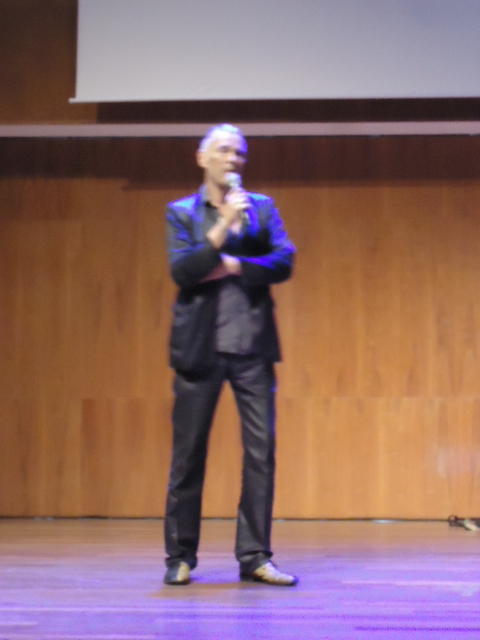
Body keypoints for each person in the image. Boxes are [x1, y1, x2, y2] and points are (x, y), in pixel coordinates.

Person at [163, 123, 297, 586]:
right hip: (199, 349)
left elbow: (284, 260)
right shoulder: (181, 212)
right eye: (223, 151)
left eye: (239, 153)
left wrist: (235, 264)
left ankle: (255, 556)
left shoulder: (262, 208)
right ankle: (180, 556)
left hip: (252, 347)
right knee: (188, 456)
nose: (233, 159)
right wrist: (222, 229)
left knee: (261, 454)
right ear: (202, 158)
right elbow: (184, 272)